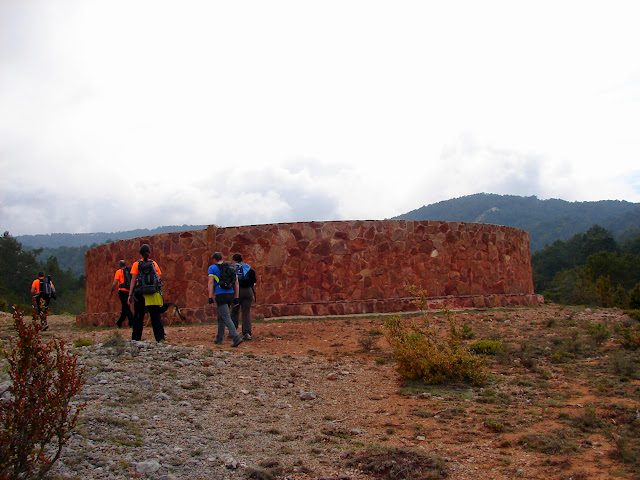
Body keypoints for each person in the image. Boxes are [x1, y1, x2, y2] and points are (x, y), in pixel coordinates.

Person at [128, 244, 165, 342]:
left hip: (140, 292)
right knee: (155, 316)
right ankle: (160, 338)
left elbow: (133, 280)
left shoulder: (136, 264)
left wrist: (130, 294)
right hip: (152, 292)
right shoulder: (154, 263)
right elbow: (159, 278)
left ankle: (136, 338)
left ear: (140, 253)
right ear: (149, 253)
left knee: (139, 316)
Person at [208, 252, 243, 347]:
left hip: (220, 294)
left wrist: (210, 296)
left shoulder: (212, 268)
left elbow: (211, 282)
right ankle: (219, 337)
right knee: (222, 316)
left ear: (214, 259)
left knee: (226, 316)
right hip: (230, 293)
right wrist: (236, 297)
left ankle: (236, 337)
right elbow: (236, 283)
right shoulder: (231, 267)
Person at [231, 253, 256, 340]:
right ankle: (247, 333)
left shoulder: (233, 268)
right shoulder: (247, 267)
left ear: (234, 260)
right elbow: (254, 280)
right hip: (248, 291)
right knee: (246, 313)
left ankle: (233, 332)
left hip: (237, 291)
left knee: (234, 312)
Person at [111, 260, 134, 328]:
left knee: (126, 307)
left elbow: (114, 283)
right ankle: (119, 322)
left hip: (122, 291)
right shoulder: (129, 271)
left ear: (119, 265)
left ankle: (132, 322)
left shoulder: (118, 272)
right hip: (129, 290)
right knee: (125, 307)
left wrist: (111, 291)